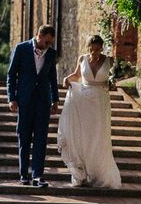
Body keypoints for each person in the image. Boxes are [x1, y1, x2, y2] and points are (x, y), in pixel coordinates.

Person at [58, 35, 121, 188]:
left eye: (98, 50)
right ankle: (82, 173)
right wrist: (67, 78)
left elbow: (114, 79)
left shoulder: (110, 61)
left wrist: (113, 82)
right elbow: (77, 75)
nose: (95, 53)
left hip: (100, 103)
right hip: (83, 101)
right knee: (83, 136)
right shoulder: (82, 59)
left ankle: (99, 174)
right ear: (88, 48)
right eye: (92, 50)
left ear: (102, 48)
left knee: (98, 137)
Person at [7, 24, 59, 187]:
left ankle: (37, 175)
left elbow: (52, 78)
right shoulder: (21, 49)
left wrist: (55, 99)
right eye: (46, 42)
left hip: (43, 100)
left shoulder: (51, 54)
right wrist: (12, 98)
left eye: (51, 43)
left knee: (41, 138)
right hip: (24, 99)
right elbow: (11, 74)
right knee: (24, 137)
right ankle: (24, 174)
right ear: (39, 36)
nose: (48, 45)